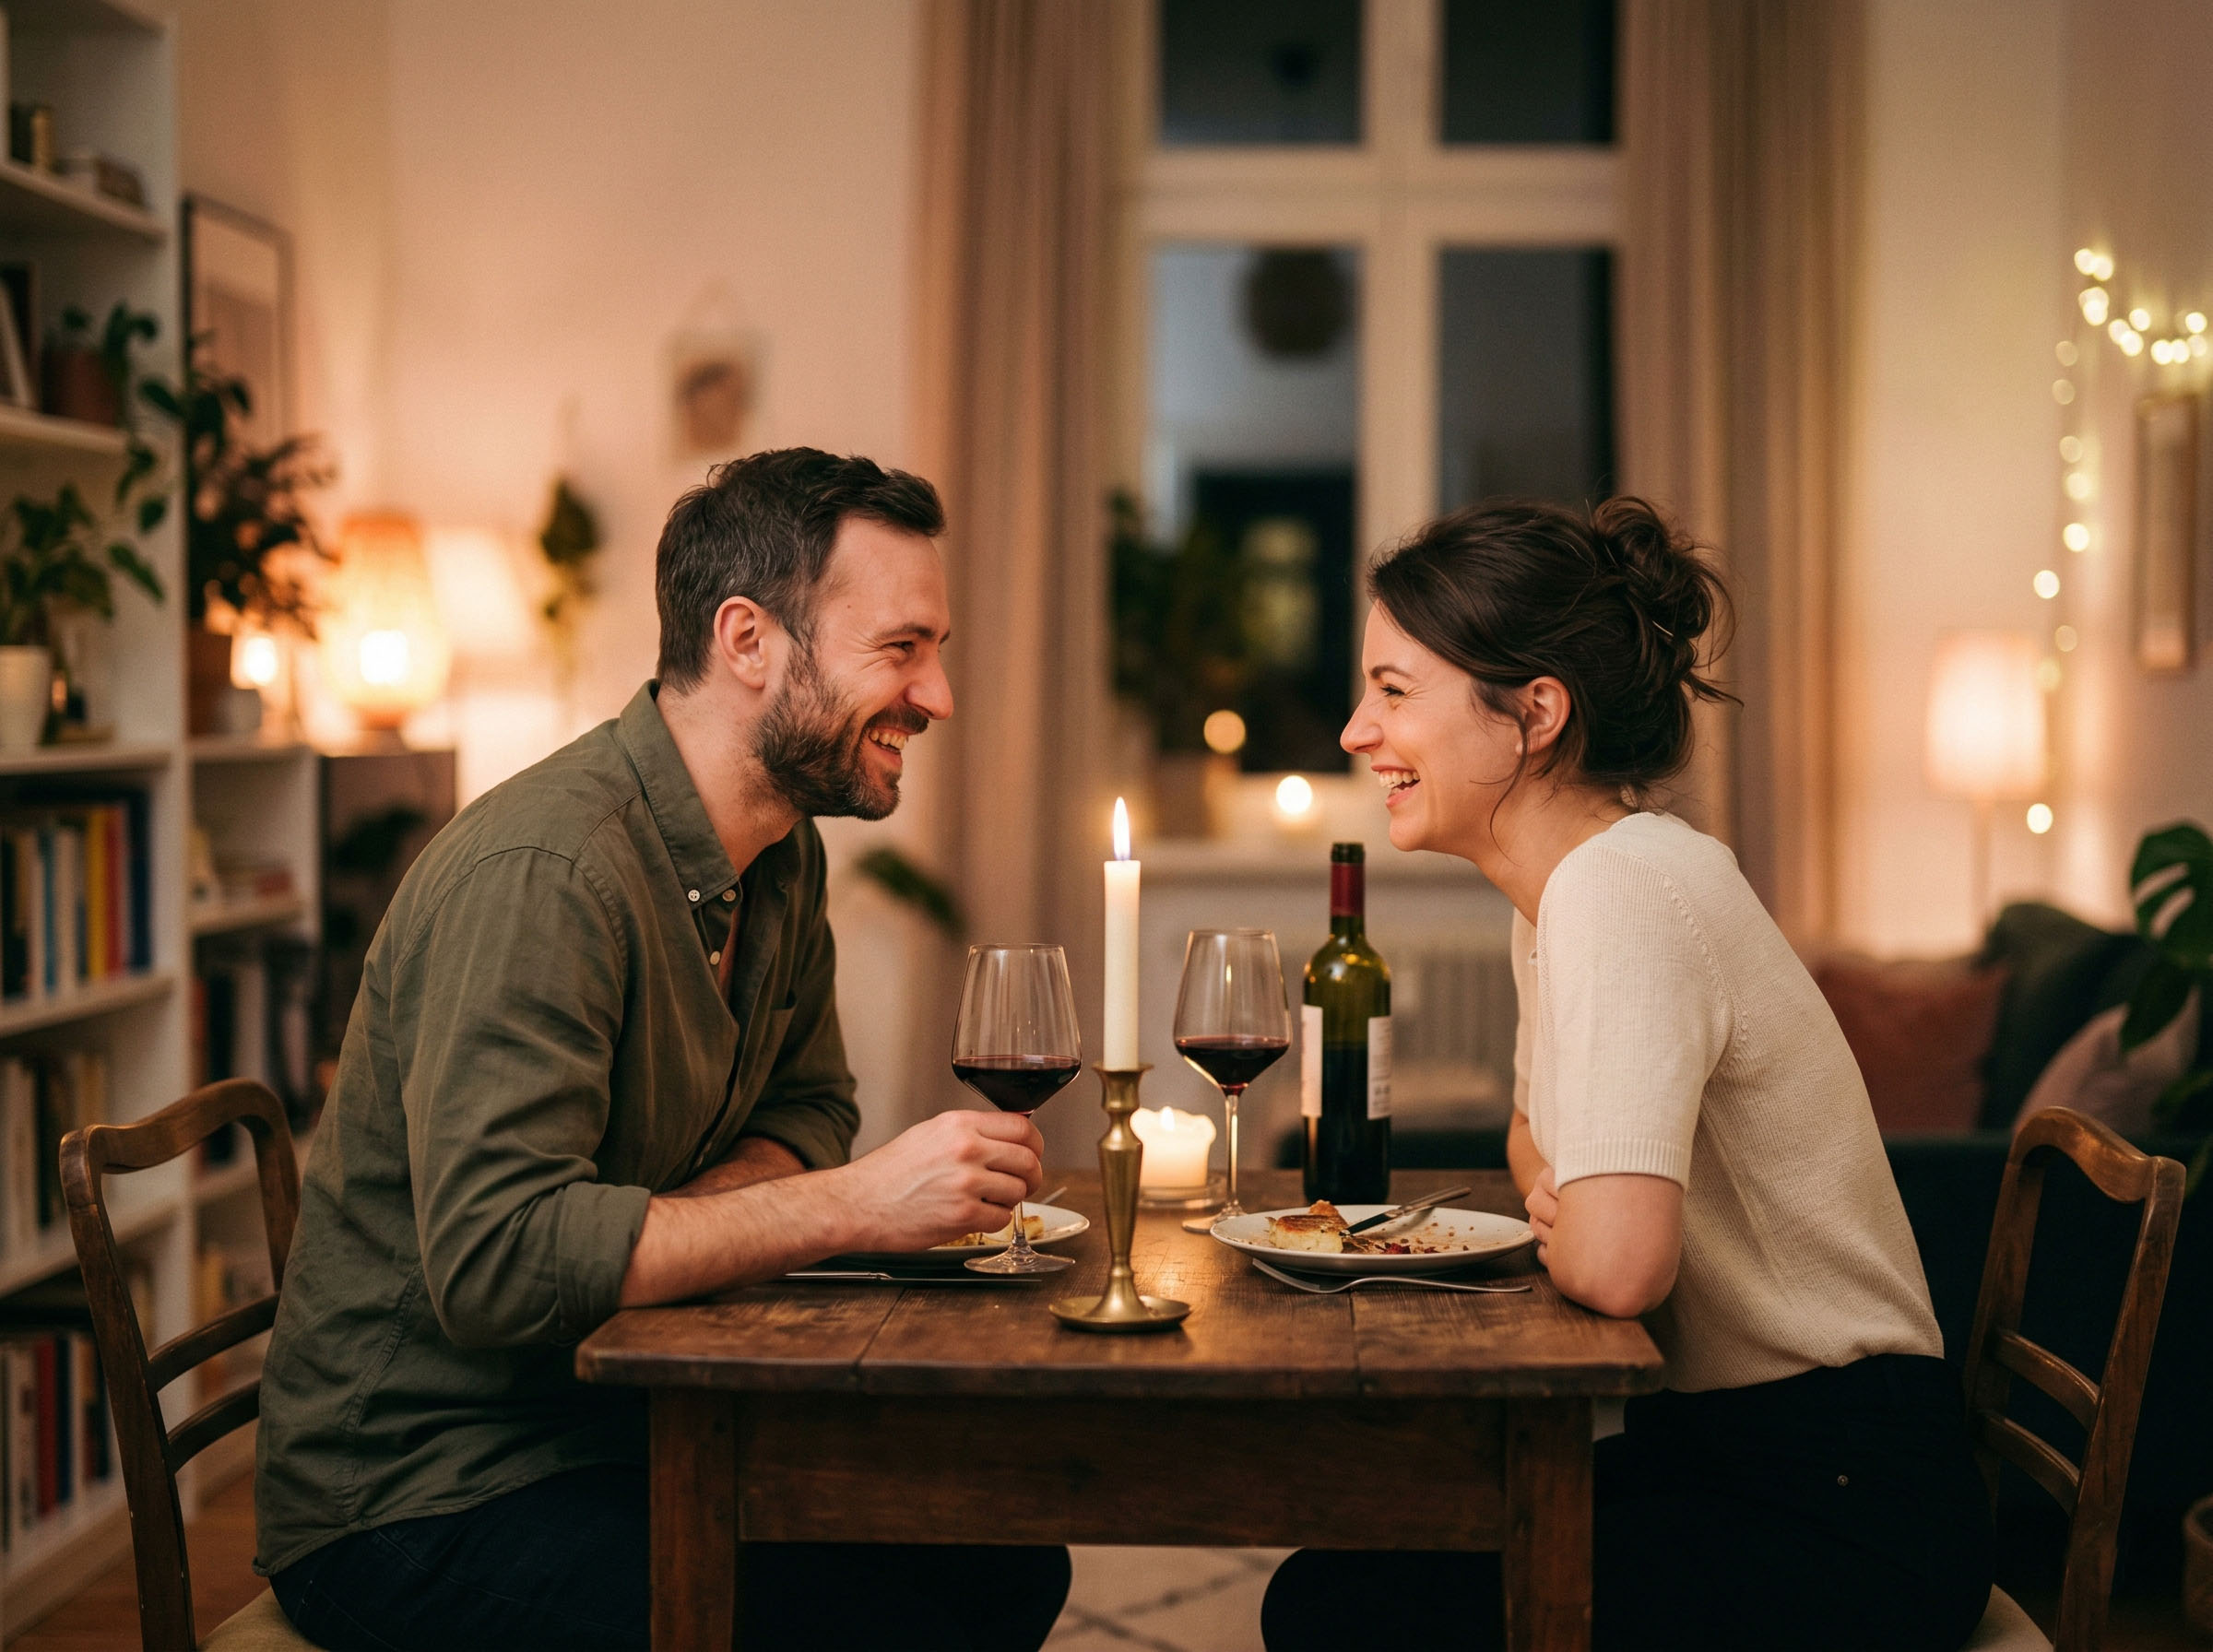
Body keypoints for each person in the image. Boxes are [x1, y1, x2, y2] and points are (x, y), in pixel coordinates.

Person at [256, 449, 1071, 1652]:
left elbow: (811, 1104)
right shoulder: (547, 875)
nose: (939, 695)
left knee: (1001, 1557)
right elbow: (497, 1261)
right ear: (749, 641)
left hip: (617, 1417)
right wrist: (848, 1209)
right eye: (903, 649)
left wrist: (689, 1223)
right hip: (415, 1498)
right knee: (895, 1614)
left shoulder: (778, 855)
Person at [1260, 497, 1993, 1652]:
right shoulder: (1569, 888)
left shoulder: (1620, 889)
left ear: (1535, 715)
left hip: (1840, 1508)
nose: (1355, 730)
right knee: (1349, 1572)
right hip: (1749, 1456)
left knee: (1336, 1607)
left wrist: (1587, 1210)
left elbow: (1616, 1263)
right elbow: (1529, 1144)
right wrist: (1574, 1196)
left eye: (1395, 690)